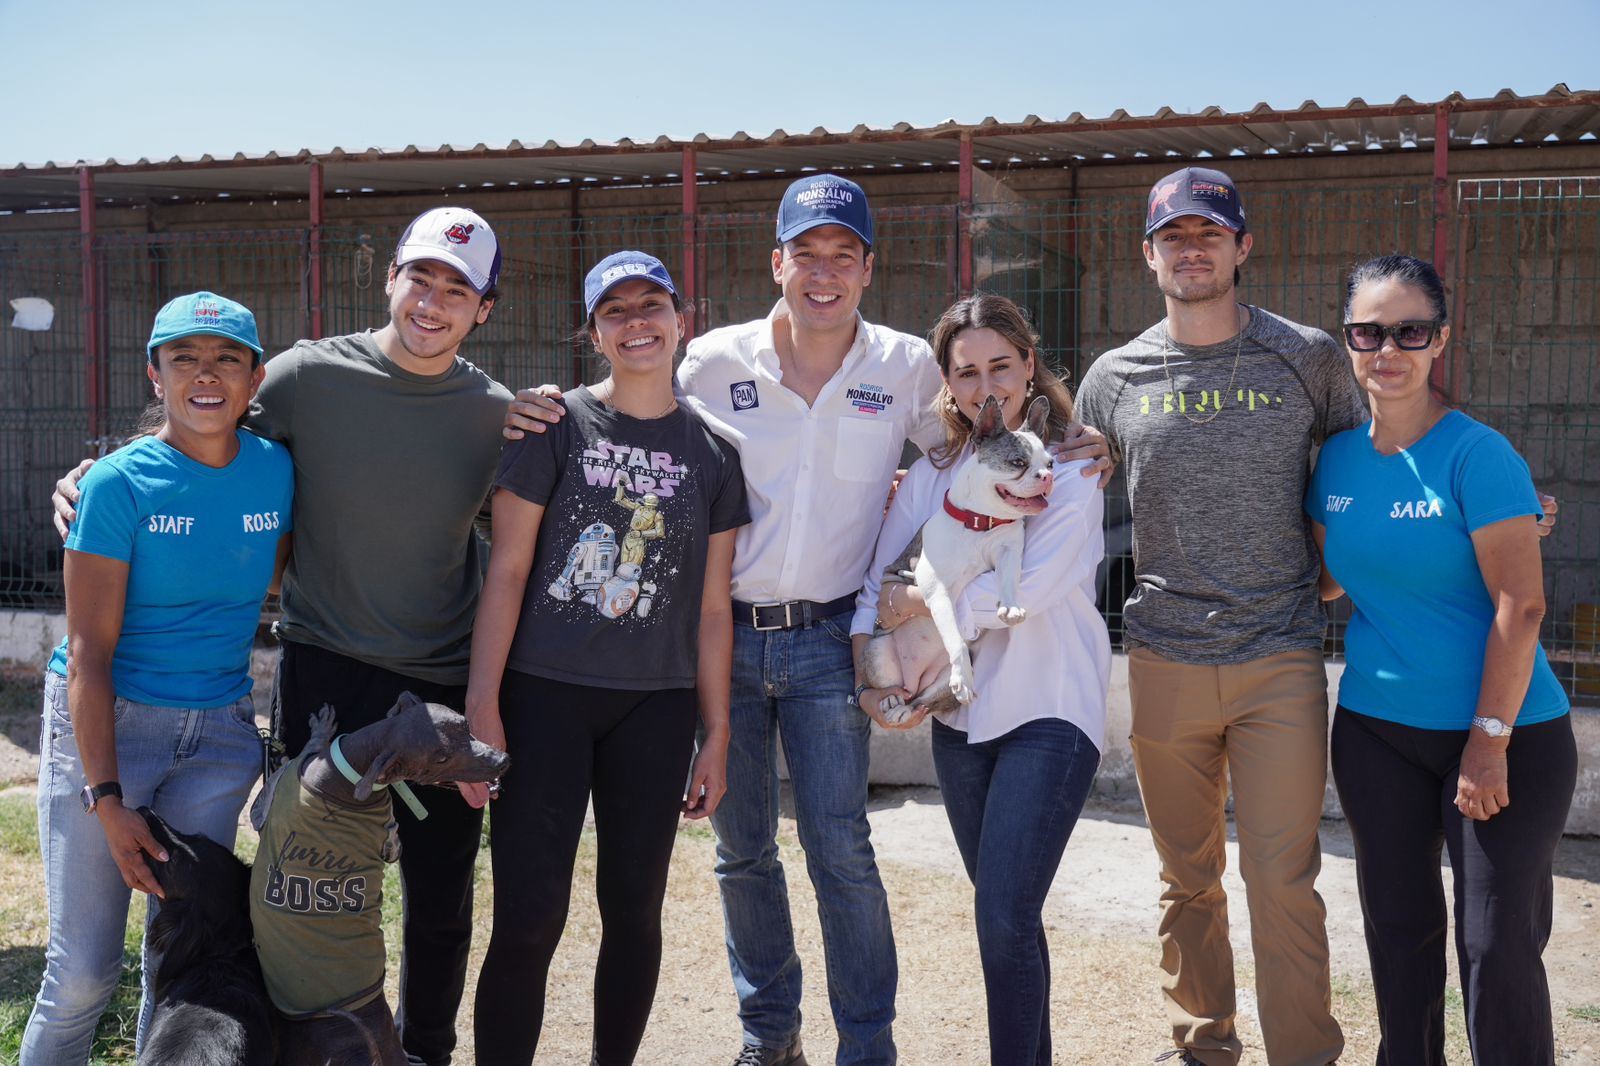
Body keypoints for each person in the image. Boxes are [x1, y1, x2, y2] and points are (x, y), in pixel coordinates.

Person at [504, 175, 1110, 1066]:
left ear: (868, 268)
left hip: (832, 639)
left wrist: (1073, 435)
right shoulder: (713, 360)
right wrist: (529, 404)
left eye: (843, 255)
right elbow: (623, 386)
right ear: (777, 262)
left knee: (842, 852)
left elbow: (977, 433)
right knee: (742, 853)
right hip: (719, 640)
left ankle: (867, 1046)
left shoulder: (905, 367)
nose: (823, 274)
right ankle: (769, 1036)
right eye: (806, 255)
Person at [53, 207, 513, 1066]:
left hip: (442, 677)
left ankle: (424, 1053)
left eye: (460, 289)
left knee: (441, 899)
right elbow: (198, 425)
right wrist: (95, 479)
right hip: (326, 673)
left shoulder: (496, 415)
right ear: (391, 280)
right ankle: (307, 1048)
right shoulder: (305, 376)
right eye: (421, 277)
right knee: (303, 888)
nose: (433, 301)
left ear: (484, 310)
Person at [1074, 167, 1362, 1066]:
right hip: (1162, 658)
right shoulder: (1115, 377)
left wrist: (1332, 574)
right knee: (1187, 881)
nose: (1190, 249)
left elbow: (1359, 473)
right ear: (1148, 252)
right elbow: (1062, 495)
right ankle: (1205, 1044)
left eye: (1209, 233)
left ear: (1243, 246)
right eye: (1173, 235)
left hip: (1279, 655)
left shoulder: (1307, 355)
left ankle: (1305, 1053)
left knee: (1283, 879)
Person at [464, 251, 748, 1065]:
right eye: (615, 311)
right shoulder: (555, 427)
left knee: (634, 912)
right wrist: (484, 705)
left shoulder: (715, 453)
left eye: (650, 305)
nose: (636, 323)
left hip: (653, 708)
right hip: (542, 696)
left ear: (680, 319)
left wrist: (716, 732)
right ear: (594, 332)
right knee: (529, 914)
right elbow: (509, 571)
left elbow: (712, 605)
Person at [1306, 254, 1576, 1065]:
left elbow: (1521, 606)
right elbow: (1325, 582)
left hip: (1508, 735)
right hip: (1377, 733)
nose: (1386, 349)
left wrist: (1488, 742)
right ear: (1348, 341)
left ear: (1439, 340)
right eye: (1368, 331)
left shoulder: (1480, 455)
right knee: (1397, 929)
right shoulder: (1338, 462)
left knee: (1495, 943)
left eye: (1408, 330)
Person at [24, 293, 293, 1064]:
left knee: (177, 967)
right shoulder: (114, 485)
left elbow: (277, 578)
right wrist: (106, 799)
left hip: (219, 732)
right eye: (185, 358)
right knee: (81, 973)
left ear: (254, 379)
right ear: (155, 375)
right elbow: (89, 655)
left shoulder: (277, 472)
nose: (205, 375)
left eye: (226, 359)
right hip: (111, 726)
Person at [851, 293, 1109, 1065]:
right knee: (1009, 921)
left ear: (1030, 367)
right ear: (947, 381)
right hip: (960, 726)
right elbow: (875, 576)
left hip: (1049, 712)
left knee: (1003, 917)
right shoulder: (934, 471)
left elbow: (1024, 594)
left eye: (1002, 365)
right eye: (968, 372)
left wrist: (921, 605)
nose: (986, 385)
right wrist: (872, 665)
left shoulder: (1069, 464)